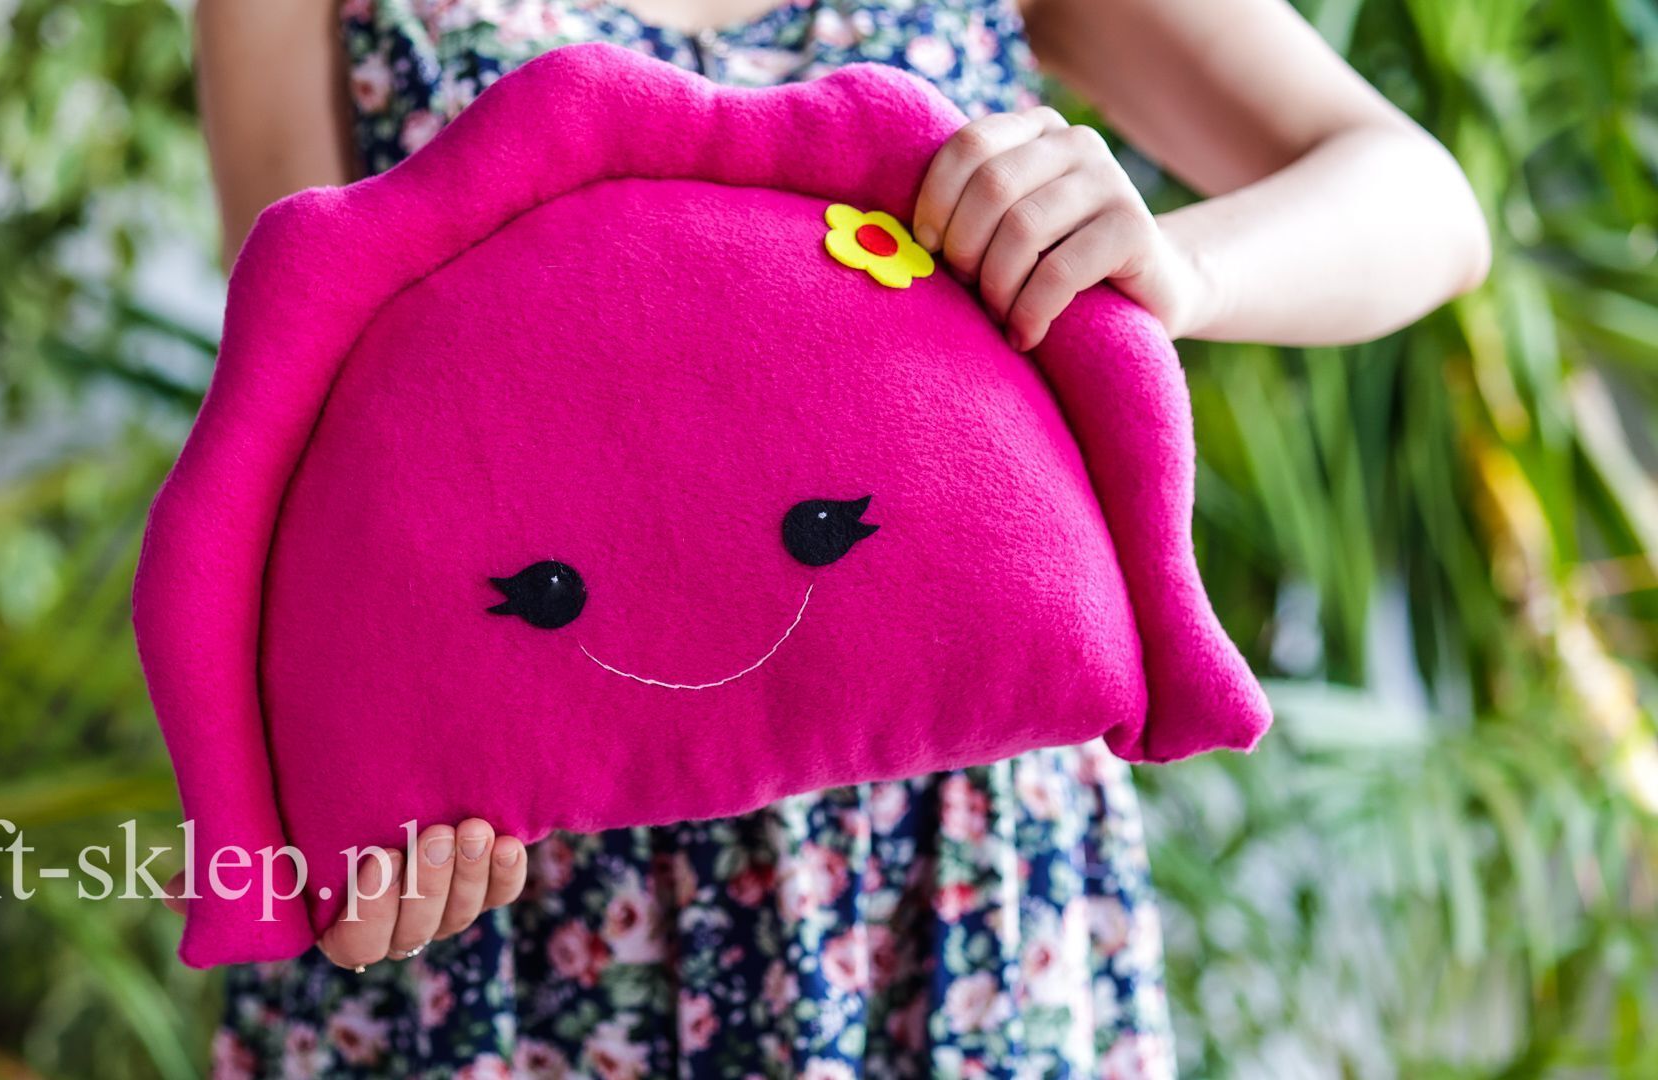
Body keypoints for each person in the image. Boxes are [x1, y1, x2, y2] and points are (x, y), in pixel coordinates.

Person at [182, 0, 1488, 1075]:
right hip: (517, 929)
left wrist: (1170, 269)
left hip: (956, 874)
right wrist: (341, 829)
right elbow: (305, 406)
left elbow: (1422, 202)